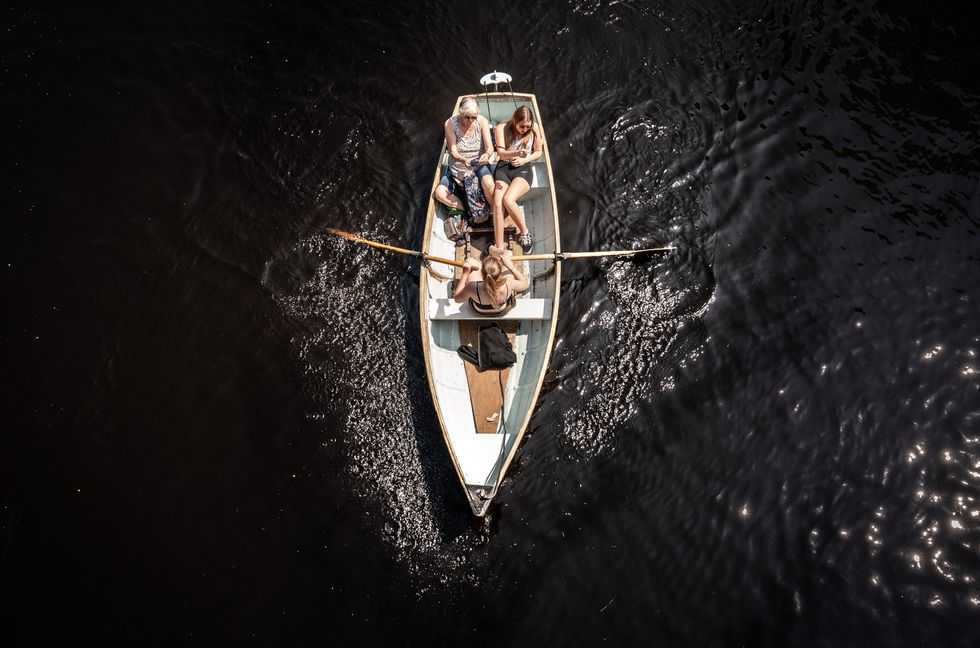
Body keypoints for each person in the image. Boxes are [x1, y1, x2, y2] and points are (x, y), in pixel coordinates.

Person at [489, 105, 543, 256]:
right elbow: (501, 154)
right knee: (498, 205)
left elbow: (538, 152)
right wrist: (516, 152)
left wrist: (524, 158)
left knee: (508, 199)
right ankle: (499, 247)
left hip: (523, 168)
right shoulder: (501, 128)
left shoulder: (535, 128)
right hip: (504, 167)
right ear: (514, 121)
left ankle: (525, 233)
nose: (525, 129)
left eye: (528, 126)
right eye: (522, 126)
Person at [434, 96, 495, 224]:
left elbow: (489, 147)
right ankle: (465, 209)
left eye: (473, 117)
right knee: (439, 194)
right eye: (467, 117)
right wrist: (463, 160)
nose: (471, 120)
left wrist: (487, 155)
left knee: (489, 184)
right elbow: (453, 152)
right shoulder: (450, 124)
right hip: (458, 166)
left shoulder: (482, 121)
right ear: (461, 113)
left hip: (479, 164)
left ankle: (492, 211)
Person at [453, 250, 529, 313]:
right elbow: (525, 285)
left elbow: (457, 299)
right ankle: (494, 249)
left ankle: (489, 252)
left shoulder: (472, 287)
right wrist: (510, 266)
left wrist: (465, 274)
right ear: (500, 273)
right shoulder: (509, 283)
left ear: (482, 274)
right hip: (501, 310)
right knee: (508, 267)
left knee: (470, 261)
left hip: (480, 310)